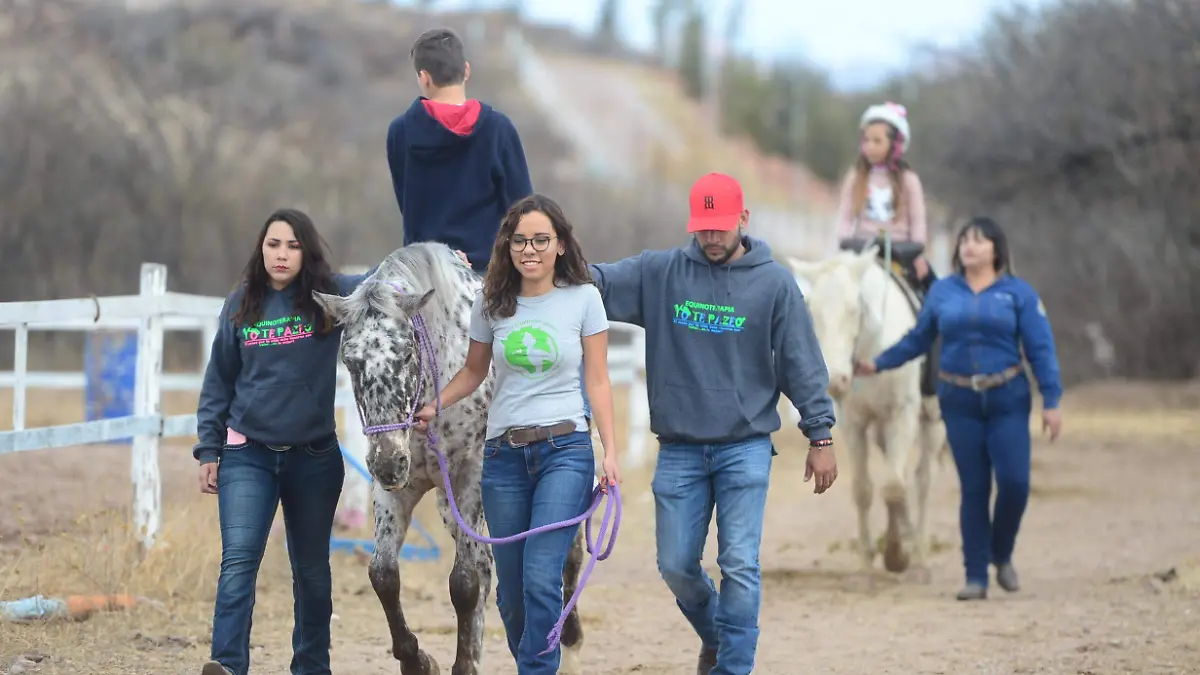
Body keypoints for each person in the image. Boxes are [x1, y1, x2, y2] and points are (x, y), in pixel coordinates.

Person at [588, 172, 838, 675]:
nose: (711, 237)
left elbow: (800, 362)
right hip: (680, 447)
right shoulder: (660, 273)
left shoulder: (775, 283)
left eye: (720, 227)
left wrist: (821, 433)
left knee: (739, 565)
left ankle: (733, 668)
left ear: (743, 220)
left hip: (745, 446)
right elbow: (595, 281)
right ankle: (718, 636)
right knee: (676, 566)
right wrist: (533, 258)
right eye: (703, 227)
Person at [412, 194, 621, 674]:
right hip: (504, 458)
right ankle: (539, 662)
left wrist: (609, 452)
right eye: (520, 240)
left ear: (561, 245)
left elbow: (598, 380)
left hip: (565, 452)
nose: (530, 249)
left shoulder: (584, 299)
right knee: (509, 596)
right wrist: (433, 405)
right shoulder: (492, 304)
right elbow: (472, 371)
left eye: (541, 240)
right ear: (508, 247)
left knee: (541, 578)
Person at [193, 208, 373, 675]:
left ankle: (312, 667)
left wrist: (435, 256)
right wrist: (208, 450)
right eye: (274, 244)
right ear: (262, 248)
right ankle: (228, 665)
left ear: (305, 252)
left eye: (293, 245)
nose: (282, 254)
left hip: (314, 460)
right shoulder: (240, 304)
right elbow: (219, 382)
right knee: (238, 566)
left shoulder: (328, 297)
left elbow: (379, 277)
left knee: (312, 574)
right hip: (246, 456)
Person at [853, 216, 1064, 601]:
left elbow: (1041, 349)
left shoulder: (1018, 294)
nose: (970, 246)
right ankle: (975, 575)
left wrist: (1051, 400)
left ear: (997, 250)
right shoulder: (943, 293)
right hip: (959, 400)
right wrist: (878, 363)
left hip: (1007, 398)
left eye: (980, 240)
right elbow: (918, 340)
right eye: (965, 240)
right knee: (975, 488)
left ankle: (1001, 553)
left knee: (1015, 483)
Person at [386, 27, 534, 275]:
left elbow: (407, 205)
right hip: (488, 277)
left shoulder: (400, 132)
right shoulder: (498, 129)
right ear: (466, 70)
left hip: (423, 277)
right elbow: (524, 210)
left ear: (424, 77)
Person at [833, 101, 934, 294]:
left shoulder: (909, 180)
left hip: (900, 254)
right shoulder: (855, 177)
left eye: (877, 141)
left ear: (895, 144)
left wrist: (917, 252)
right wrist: (845, 243)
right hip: (861, 251)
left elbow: (918, 222)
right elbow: (845, 218)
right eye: (866, 140)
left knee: (931, 291)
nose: (869, 146)